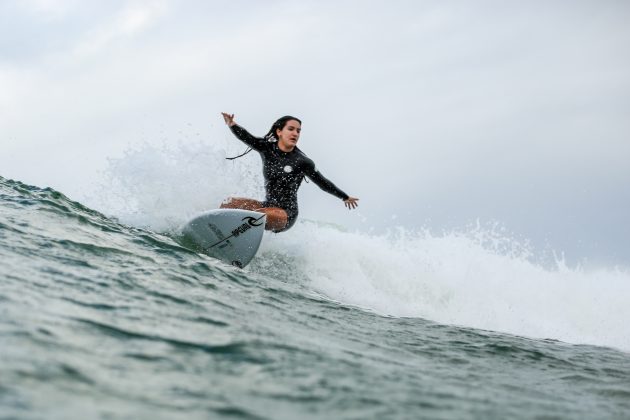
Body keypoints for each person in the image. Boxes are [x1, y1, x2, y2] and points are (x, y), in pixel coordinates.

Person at [220, 112, 359, 232]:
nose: (295, 133)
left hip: (285, 214)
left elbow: (323, 183)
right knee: (228, 203)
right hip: (266, 206)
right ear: (279, 131)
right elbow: (247, 137)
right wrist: (232, 124)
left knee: (257, 217)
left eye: (298, 131)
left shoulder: (303, 161)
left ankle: (233, 235)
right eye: (291, 129)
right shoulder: (267, 148)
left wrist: (344, 197)